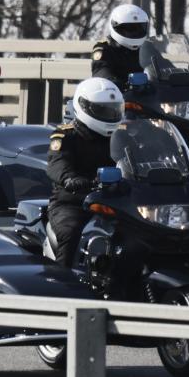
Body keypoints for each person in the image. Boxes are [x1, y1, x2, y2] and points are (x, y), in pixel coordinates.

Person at [46, 77, 124, 267]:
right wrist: (70, 179)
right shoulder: (67, 135)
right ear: (84, 107)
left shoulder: (123, 135)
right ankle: (63, 284)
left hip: (117, 201)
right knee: (70, 231)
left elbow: (142, 157)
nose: (111, 113)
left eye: (114, 108)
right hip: (74, 202)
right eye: (103, 109)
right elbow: (57, 162)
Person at [91, 4, 148, 88]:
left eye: (139, 28)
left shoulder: (146, 47)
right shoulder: (105, 48)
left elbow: (160, 64)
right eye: (130, 29)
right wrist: (112, 81)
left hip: (147, 95)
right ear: (116, 27)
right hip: (116, 96)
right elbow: (100, 70)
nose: (135, 33)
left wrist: (171, 75)